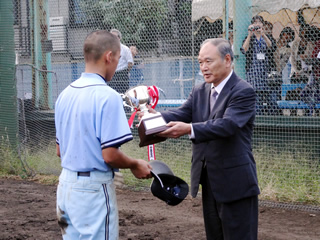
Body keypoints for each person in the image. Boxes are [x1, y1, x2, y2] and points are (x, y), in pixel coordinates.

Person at [139, 38, 260, 240]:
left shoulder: (243, 91)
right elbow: (181, 113)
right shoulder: (200, 90)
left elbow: (227, 125)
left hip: (236, 183)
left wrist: (189, 129)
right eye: (200, 62)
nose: (203, 67)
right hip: (209, 180)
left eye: (208, 61)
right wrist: (154, 117)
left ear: (228, 60)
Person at [54, 30, 152, 239]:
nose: (117, 65)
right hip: (92, 190)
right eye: (117, 59)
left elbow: (59, 151)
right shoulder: (107, 96)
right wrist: (135, 164)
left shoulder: (64, 94)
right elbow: (109, 155)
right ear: (109, 57)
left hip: (65, 186)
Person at [241, 15, 277, 115]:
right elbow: (244, 50)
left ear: (262, 24)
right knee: (256, 101)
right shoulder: (250, 38)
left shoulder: (267, 37)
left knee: (271, 101)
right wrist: (249, 35)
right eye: (255, 22)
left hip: (266, 73)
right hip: (253, 73)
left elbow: (272, 47)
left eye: (259, 22)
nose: (257, 24)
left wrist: (263, 34)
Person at [109, 28, 134, 94]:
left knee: (123, 94)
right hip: (111, 74)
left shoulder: (125, 49)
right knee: (111, 93)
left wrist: (125, 71)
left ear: (119, 38)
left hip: (122, 74)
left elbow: (130, 63)